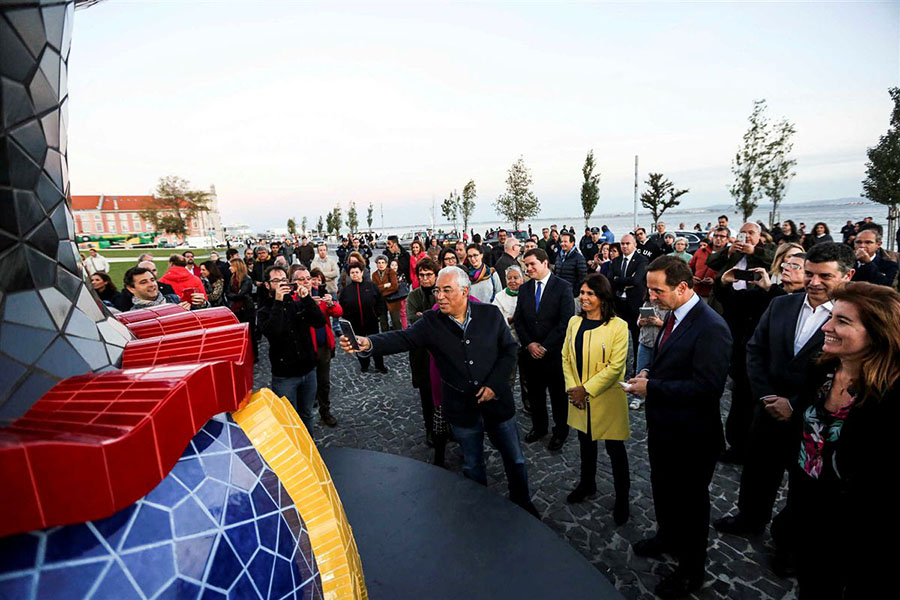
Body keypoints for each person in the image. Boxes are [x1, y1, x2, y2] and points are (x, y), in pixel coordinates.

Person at [339, 266, 540, 518]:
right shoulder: (431, 322)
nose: (440, 296)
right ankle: (481, 511)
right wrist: (368, 343)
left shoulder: (490, 314)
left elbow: (509, 351)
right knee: (472, 464)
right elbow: (402, 338)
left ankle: (523, 502)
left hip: (498, 404)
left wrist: (494, 385)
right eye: (437, 290)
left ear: (465, 291)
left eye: (447, 290)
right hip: (462, 409)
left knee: (516, 460)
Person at [715, 243, 855, 574]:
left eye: (825, 276)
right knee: (758, 469)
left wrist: (794, 405)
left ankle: (789, 545)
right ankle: (750, 518)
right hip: (766, 410)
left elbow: (844, 374)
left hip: (813, 421)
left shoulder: (852, 320)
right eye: (809, 273)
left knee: (804, 489)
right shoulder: (780, 305)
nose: (814, 282)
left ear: (847, 276)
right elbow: (755, 349)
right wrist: (766, 397)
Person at [626, 256, 732, 599]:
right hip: (664, 428)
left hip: (692, 436)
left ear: (683, 287)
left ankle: (691, 570)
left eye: (658, 290)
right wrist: (649, 374)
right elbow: (670, 361)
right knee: (664, 489)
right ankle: (666, 537)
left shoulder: (711, 326)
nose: (651, 295)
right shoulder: (673, 314)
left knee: (691, 506)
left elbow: (708, 388)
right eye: (650, 288)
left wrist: (651, 388)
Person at [789, 283, 900, 599]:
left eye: (843, 321)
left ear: (878, 333)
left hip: (862, 528)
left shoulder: (890, 394)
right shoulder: (820, 368)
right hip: (809, 511)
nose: (827, 326)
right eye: (831, 316)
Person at [562, 274, 631, 525]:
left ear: (602, 297)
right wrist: (573, 389)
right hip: (579, 397)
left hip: (606, 398)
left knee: (615, 450)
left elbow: (616, 367)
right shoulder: (573, 322)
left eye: (590, 293)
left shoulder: (618, 326)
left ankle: (622, 497)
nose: (584, 297)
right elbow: (566, 357)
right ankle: (587, 483)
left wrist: (586, 390)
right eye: (582, 292)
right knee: (585, 442)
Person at [514, 248, 575, 451]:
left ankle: (560, 431)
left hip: (554, 353)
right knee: (535, 394)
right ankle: (539, 427)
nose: (528, 268)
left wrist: (545, 346)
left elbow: (565, 321)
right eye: (526, 265)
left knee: (558, 395)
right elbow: (519, 320)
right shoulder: (524, 289)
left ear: (545, 263)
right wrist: (529, 344)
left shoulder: (563, 287)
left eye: (532, 264)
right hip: (530, 353)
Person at [257, 265, 326, 432]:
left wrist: (307, 299)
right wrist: (279, 302)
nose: (281, 284)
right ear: (267, 285)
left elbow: (319, 321)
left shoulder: (297, 304)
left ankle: (310, 449)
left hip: (308, 371)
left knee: (307, 414)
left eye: (283, 280)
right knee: (288, 418)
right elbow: (274, 333)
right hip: (285, 376)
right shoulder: (264, 311)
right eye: (276, 281)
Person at [291, 266, 342, 427]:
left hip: (323, 347)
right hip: (305, 350)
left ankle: (325, 412)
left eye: (308, 278)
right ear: (293, 282)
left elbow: (338, 312)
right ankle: (304, 416)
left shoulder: (318, 293)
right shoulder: (292, 298)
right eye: (301, 279)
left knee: (324, 382)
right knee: (306, 385)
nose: (306, 282)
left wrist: (330, 304)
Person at [406, 258, 442, 451]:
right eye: (421, 275)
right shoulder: (413, 296)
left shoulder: (441, 293)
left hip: (440, 353)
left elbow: (444, 317)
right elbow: (412, 320)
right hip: (420, 354)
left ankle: (448, 427)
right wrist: (429, 317)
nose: (425, 278)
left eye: (429, 275)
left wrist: (425, 316)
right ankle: (430, 428)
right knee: (426, 395)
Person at [608, 234, 648, 373]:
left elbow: (636, 281)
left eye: (627, 243)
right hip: (619, 304)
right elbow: (609, 280)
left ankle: (638, 367)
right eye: (622, 244)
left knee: (637, 337)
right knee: (619, 338)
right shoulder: (616, 261)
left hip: (635, 304)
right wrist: (625, 281)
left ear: (634, 245)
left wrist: (618, 279)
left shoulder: (642, 260)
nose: (624, 246)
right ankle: (618, 367)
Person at [338, 263, 387, 373]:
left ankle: (380, 365)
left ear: (361, 273)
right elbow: (342, 307)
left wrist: (377, 314)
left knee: (375, 343)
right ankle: (364, 365)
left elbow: (380, 301)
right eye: (352, 273)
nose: (355, 275)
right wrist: (348, 319)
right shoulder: (346, 291)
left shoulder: (371, 286)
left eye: (357, 272)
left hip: (371, 322)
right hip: (355, 324)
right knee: (359, 345)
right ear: (349, 275)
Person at [226, 258, 258, 359]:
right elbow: (228, 293)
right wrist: (235, 295)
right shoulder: (232, 279)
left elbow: (241, 294)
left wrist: (234, 295)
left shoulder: (246, 279)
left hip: (247, 309)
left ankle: (254, 354)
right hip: (237, 309)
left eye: (232, 266)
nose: (230, 268)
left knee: (250, 332)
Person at [123, 266, 192, 311]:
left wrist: (199, 304)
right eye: (143, 282)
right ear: (131, 288)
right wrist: (174, 312)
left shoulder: (174, 299)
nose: (151, 284)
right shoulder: (134, 315)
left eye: (152, 280)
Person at [554, 231, 588, 299]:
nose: (562, 244)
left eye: (565, 242)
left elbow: (582, 277)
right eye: (562, 241)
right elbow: (556, 273)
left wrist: (575, 292)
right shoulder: (559, 257)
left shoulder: (579, 258)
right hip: (559, 293)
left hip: (572, 294)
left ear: (572, 243)